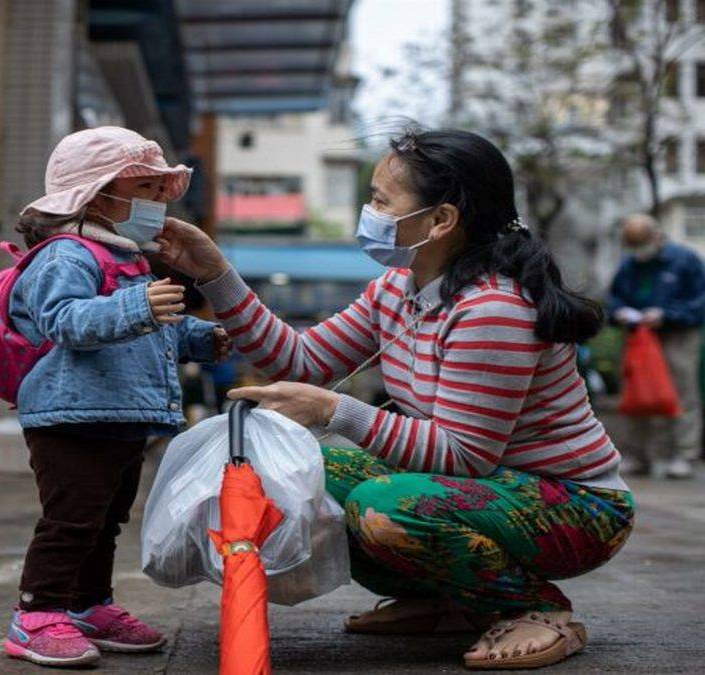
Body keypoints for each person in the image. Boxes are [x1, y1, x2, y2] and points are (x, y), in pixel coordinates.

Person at [155, 129, 634, 670]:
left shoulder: (492, 310)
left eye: (382, 200)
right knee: (303, 470)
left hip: (574, 505)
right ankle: (447, 600)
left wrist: (336, 411)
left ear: (440, 221)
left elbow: (465, 455)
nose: (369, 211)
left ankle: (538, 609)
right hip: (485, 489)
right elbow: (301, 360)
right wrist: (216, 275)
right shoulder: (396, 289)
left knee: (384, 507)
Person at [4, 127, 231, 668]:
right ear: (96, 194)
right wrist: (139, 308)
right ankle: (34, 615)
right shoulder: (66, 255)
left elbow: (156, 331)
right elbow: (63, 322)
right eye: (145, 188)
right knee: (71, 519)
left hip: (119, 413)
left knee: (106, 519)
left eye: (160, 188)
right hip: (69, 415)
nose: (158, 201)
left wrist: (205, 338)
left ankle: (88, 605)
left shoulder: (130, 258)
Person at [607, 214, 705, 479]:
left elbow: (700, 301)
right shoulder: (629, 265)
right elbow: (614, 297)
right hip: (640, 335)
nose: (639, 252)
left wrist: (667, 313)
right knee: (637, 392)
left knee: (681, 391)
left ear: (657, 237)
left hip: (679, 334)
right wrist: (619, 313)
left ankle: (684, 455)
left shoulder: (686, 260)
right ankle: (639, 456)